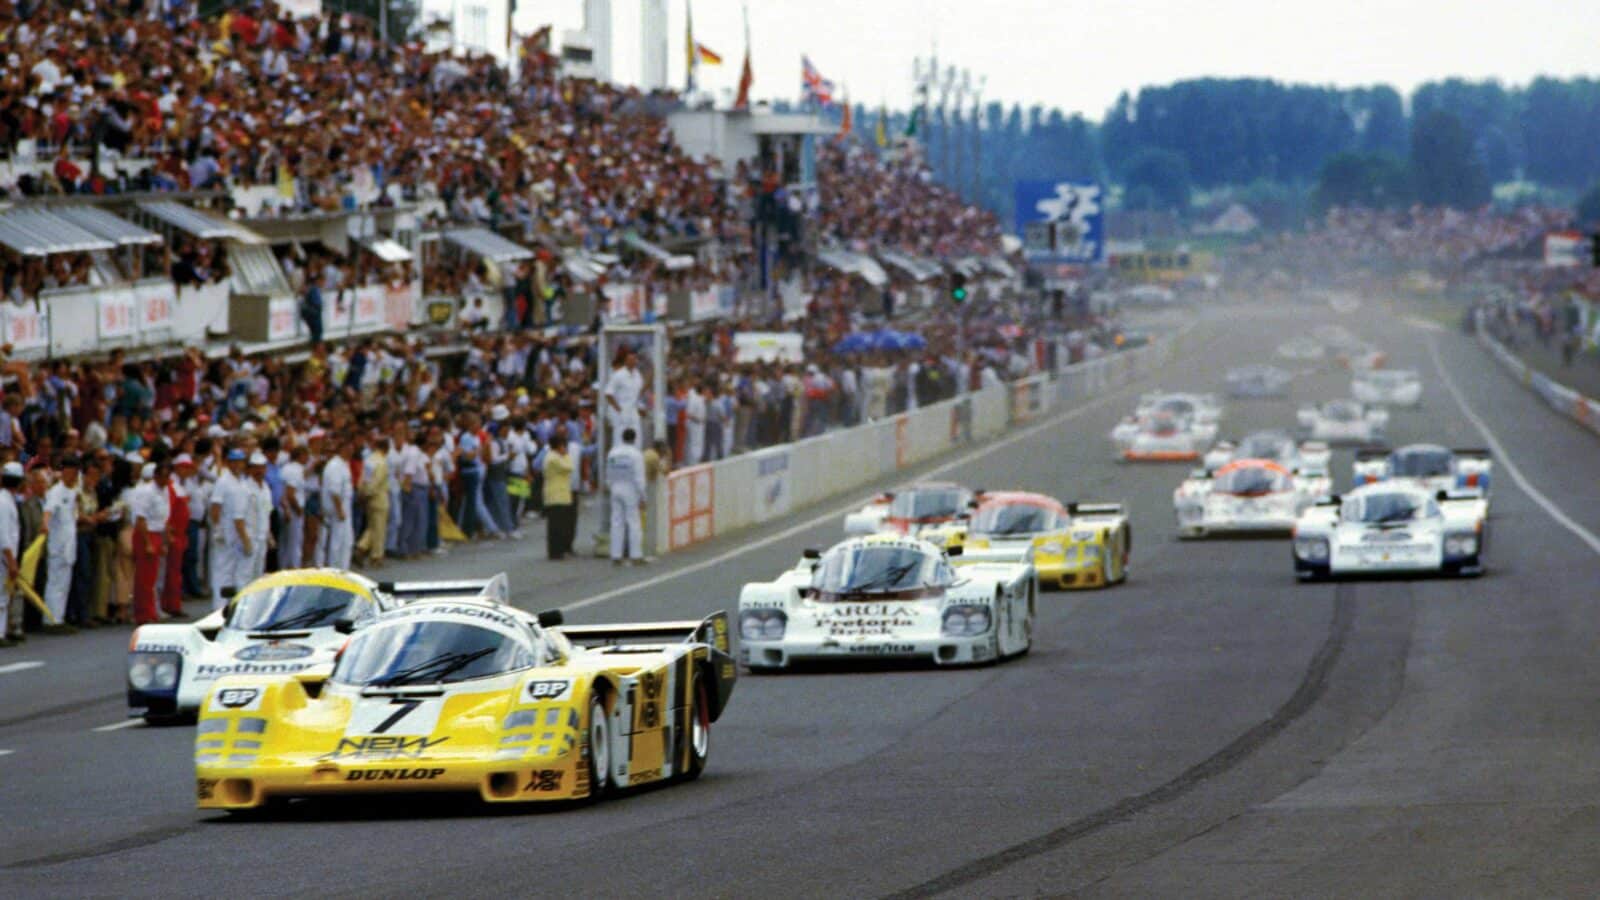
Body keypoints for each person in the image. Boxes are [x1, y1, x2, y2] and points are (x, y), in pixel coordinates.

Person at [42, 455, 80, 632]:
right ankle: (51, 619)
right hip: (57, 544)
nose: (72, 476)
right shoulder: (56, 491)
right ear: (63, 472)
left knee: (64, 583)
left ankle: (59, 617)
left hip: (69, 544)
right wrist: (44, 526)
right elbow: (48, 511)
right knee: (55, 582)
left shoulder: (73, 491)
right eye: (70, 472)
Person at [129, 462, 170, 626]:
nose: (166, 480)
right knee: (144, 577)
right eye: (164, 476)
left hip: (157, 532)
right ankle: (143, 614)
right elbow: (141, 519)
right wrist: (147, 542)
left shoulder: (164, 491)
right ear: (156, 476)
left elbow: (164, 517)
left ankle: (151, 611)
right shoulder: (147, 492)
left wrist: (164, 541)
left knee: (153, 577)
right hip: (146, 533)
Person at [209, 448, 249, 608]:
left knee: (233, 570)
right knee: (222, 570)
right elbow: (215, 507)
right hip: (225, 532)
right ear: (229, 463)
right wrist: (217, 528)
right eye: (235, 461)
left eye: (240, 461)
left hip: (236, 533)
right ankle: (218, 606)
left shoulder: (240, 481)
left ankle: (228, 605)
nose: (238, 465)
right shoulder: (223, 481)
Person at [606, 427, 647, 566]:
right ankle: (636, 555)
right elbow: (639, 478)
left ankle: (616, 555)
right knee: (633, 522)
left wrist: (611, 486)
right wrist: (643, 496)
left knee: (616, 522)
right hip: (630, 489)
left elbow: (608, 473)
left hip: (615, 487)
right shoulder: (636, 454)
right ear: (635, 439)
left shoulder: (613, 453)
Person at [161, 455, 192, 618]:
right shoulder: (172, 486)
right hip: (174, 535)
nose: (187, 471)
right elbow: (167, 510)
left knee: (175, 572)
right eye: (184, 467)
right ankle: (170, 605)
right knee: (170, 572)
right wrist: (170, 533)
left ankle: (173, 603)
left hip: (180, 534)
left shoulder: (179, 485)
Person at [355, 436, 390, 567]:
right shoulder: (382, 462)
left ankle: (361, 547)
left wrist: (362, 493)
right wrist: (369, 493)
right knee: (380, 528)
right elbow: (376, 482)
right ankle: (376, 556)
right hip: (379, 497)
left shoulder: (369, 461)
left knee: (372, 526)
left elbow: (363, 478)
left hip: (368, 498)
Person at [542, 432, 576, 560]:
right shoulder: (554, 458)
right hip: (556, 495)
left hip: (559, 494)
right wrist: (566, 455)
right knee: (556, 526)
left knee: (558, 525)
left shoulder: (553, 457)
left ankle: (557, 551)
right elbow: (569, 467)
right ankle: (556, 552)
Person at [322, 438, 354, 570]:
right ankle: (335, 570)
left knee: (346, 542)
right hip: (338, 508)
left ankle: (343, 569)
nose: (351, 450)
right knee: (338, 542)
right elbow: (334, 491)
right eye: (349, 448)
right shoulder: (335, 465)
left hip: (345, 505)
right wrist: (340, 510)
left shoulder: (343, 464)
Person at [0, 463, 20, 647]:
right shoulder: (4, 502)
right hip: (3, 557)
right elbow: (4, 535)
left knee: (4, 595)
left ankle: (3, 631)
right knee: (1, 595)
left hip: (5, 556)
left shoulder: (7, 500)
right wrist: (11, 560)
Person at [245, 453, 273, 582]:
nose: (259, 471)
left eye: (262, 467)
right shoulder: (245, 488)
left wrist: (269, 536)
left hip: (262, 537)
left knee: (259, 573)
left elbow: (266, 513)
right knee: (246, 573)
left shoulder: (266, 488)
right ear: (250, 469)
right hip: (249, 536)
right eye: (256, 467)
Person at [279, 445, 307, 570]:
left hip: (284, 508)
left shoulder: (285, 468)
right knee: (295, 542)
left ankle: (283, 567)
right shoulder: (296, 470)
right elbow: (290, 493)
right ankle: (294, 567)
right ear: (300, 456)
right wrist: (298, 510)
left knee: (285, 542)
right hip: (293, 510)